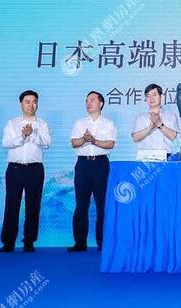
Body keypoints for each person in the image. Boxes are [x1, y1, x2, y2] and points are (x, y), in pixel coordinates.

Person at [0, 90, 50, 253]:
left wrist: (32, 134)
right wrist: (22, 136)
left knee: (33, 205)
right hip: (15, 169)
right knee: (11, 204)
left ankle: (29, 240)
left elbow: (47, 143)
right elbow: (6, 143)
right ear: (21, 104)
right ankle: (8, 242)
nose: (31, 105)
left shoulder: (42, 124)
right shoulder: (12, 123)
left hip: (35, 169)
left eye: (34, 101)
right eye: (27, 101)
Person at [68, 91, 117, 252]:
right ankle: (80, 243)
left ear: (101, 104)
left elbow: (110, 144)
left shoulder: (108, 123)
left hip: (100, 164)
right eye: (87, 100)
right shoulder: (80, 123)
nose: (89, 103)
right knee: (81, 204)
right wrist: (84, 139)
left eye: (92, 100)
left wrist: (94, 141)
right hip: (83, 165)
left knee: (102, 204)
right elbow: (74, 143)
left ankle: (103, 243)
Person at [131, 83, 180, 158]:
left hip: (166, 156)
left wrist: (160, 124)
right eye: (148, 96)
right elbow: (135, 138)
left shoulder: (171, 115)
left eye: (154, 95)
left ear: (161, 96)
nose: (151, 98)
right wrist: (151, 127)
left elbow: (173, 137)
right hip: (145, 157)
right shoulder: (140, 117)